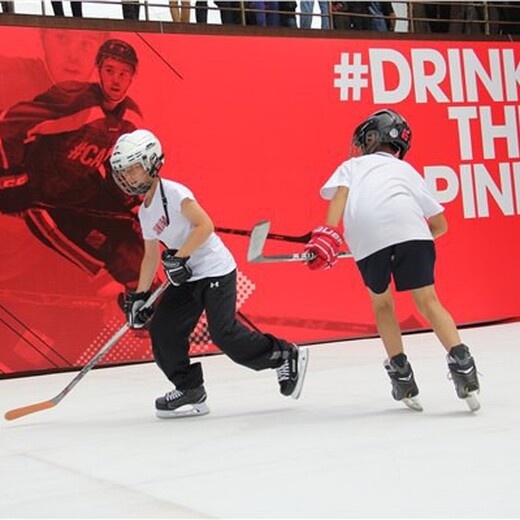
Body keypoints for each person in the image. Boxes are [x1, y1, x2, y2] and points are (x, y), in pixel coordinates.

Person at [109, 129, 309, 418]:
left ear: (152, 162)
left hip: (215, 270)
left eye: (133, 168)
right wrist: (141, 297)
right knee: (164, 331)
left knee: (224, 334)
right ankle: (190, 389)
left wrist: (179, 256)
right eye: (124, 171)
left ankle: (283, 354)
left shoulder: (176, 193)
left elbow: (205, 226)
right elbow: (151, 256)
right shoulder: (145, 212)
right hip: (187, 275)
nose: (128, 176)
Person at [304, 108, 480, 412]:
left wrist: (327, 235)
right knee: (429, 302)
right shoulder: (407, 170)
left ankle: (402, 378)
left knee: (382, 304)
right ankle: (463, 366)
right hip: (415, 235)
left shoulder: (353, 165)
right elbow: (440, 224)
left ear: (372, 137)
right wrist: (411, 237)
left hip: (368, 240)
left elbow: (340, 198)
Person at [0, 39, 145, 290]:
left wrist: (131, 204)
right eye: (109, 70)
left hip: (80, 196)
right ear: (98, 70)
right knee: (109, 257)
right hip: (44, 201)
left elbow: (114, 168)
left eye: (124, 73)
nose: (116, 80)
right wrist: (13, 180)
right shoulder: (73, 99)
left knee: (135, 247)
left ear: (133, 77)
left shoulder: (131, 119)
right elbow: (8, 126)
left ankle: (147, 307)